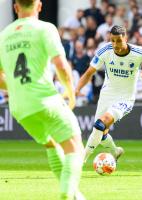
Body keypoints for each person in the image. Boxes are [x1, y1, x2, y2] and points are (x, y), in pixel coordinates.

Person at [0, 1, 85, 199]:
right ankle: (66, 193)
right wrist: (70, 93)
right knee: (76, 147)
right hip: (44, 99)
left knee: (52, 143)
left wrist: (16, 87)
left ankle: (74, 195)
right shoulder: (45, 28)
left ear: (16, 7)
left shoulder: (3, 36)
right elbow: (61, 66)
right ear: (39, 6)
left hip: (19, 106)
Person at [76, 25, 142, 163]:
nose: (115, 44)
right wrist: (76, 90)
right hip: (107, 94)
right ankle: (115, 151)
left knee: (99, 125)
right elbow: (89, 72)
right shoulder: (105, 51)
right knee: (101, 134)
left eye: (118, 40)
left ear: (125, 38)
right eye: (112, 40)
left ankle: (81, 160)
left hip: (125, 99)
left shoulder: (137, 52)